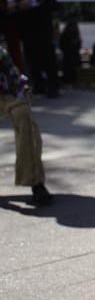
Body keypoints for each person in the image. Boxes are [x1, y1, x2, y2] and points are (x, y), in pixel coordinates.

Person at [0, 45, 52, 206]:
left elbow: (12, 73)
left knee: (26, 121)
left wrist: (20, 89)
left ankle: (36, 183)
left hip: (8, 91)